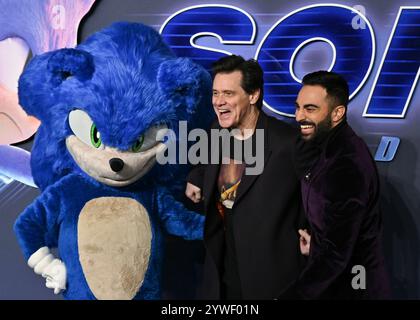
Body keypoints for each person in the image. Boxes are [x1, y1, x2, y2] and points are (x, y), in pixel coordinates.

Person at [185, 55, 306, 299]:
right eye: (215, 93)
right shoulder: (216, 130)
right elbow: (206, 163)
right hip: (220, 270)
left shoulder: (287, 142)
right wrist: (196, 176)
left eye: (228, 94)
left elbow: (314, 192)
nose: (219, 102)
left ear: (253, 95)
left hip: (268, 275)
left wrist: (310, 229)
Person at [282, 70, 390, 299]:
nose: (299, 116)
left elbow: (335, 255)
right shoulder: (324, 147)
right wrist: (316, 246)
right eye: (298, 107)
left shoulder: (347, 164)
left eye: (310, 109)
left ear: (337, 113)